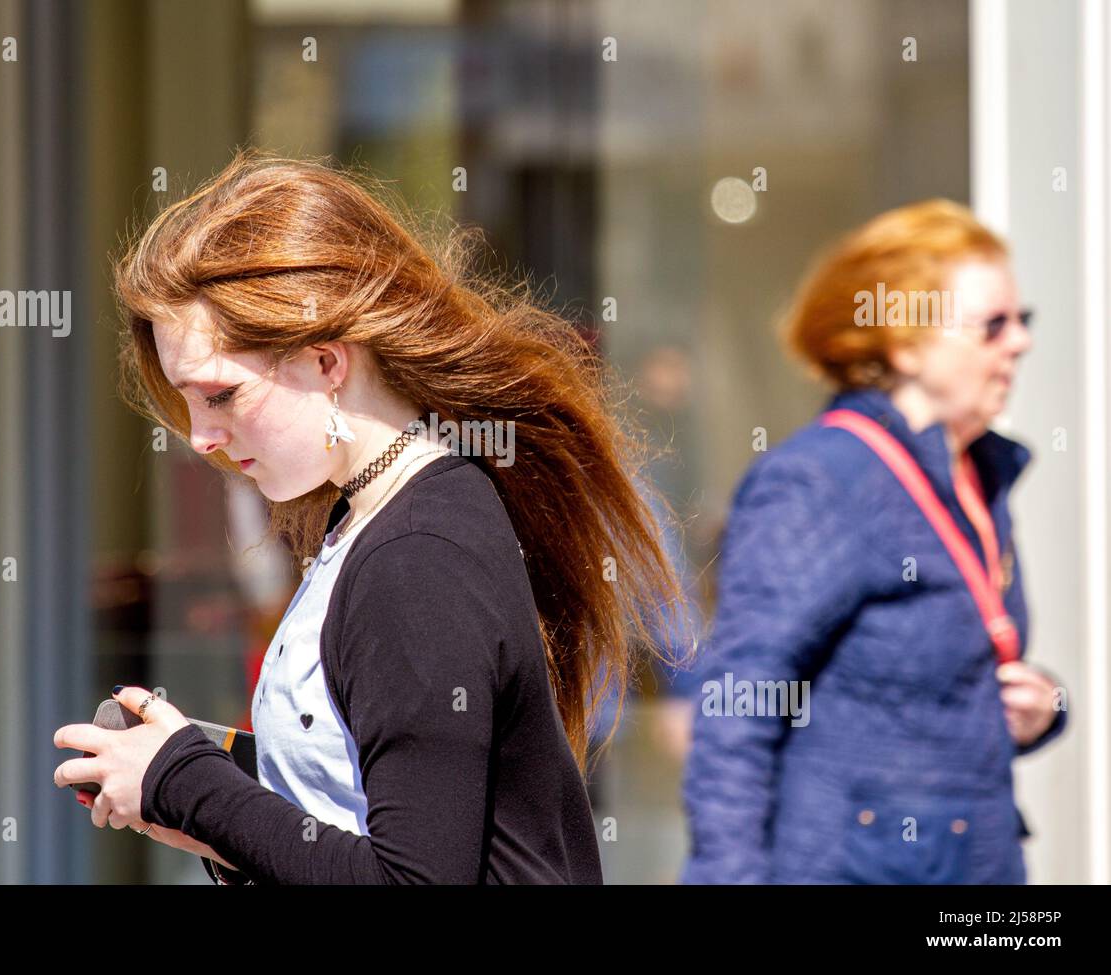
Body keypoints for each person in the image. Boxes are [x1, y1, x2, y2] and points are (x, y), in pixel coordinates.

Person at [52, 148, 687, 884]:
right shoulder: (379, 516)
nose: (200, 437)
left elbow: (409, 879)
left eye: (221, 394)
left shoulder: (416, 554)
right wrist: (191, 786)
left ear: (328, 362)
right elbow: (359, 805)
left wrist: (186, 783)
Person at [682, 200, 1068, 884]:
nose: (1020, 342)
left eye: (1024, 321)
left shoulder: (979, 476)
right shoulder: (822, 480)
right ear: (905, 342)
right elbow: (739, 705)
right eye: (993, 325)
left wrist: (1046, 708)